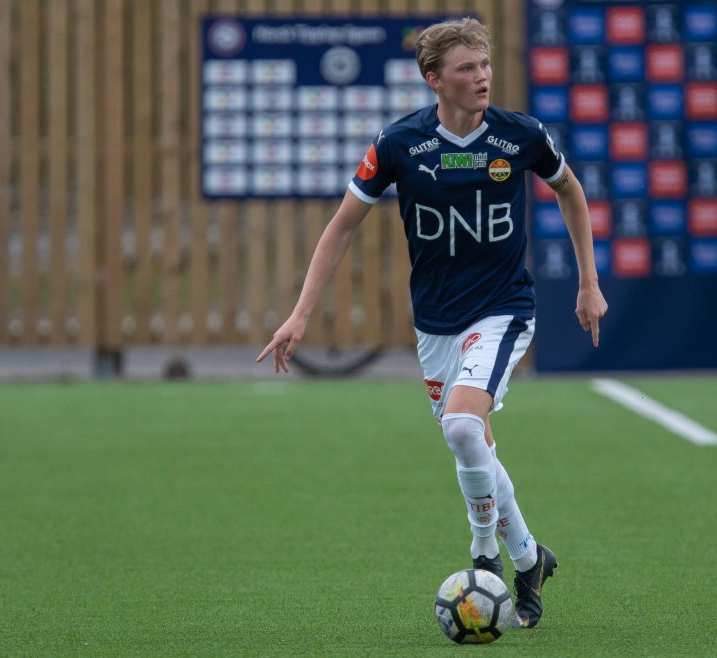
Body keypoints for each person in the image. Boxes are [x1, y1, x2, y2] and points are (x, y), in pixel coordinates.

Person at [257, 17, 607, 629]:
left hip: (503, 309)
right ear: (434, 80)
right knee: (473, 442)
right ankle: (530, 559)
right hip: (436, 324)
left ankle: (484, 556)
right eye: (467, 68)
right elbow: (342, 226)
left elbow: (570, 191)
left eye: (485, 65)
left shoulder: (521, 136)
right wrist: (300, 313)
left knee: (463, 426)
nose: (482, 77)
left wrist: (588, 282)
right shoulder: (400, 145)